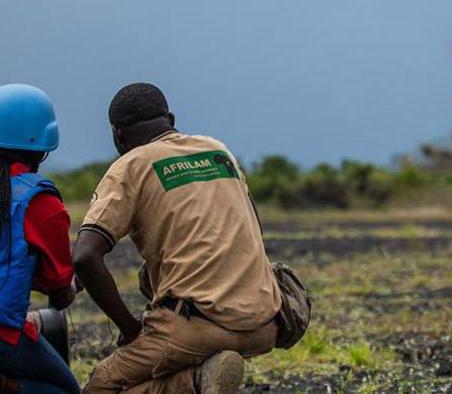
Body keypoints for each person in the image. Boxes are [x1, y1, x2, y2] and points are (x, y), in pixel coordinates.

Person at [73, 83, 282, 394]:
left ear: (118, 136)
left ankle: (194, 383)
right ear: (170, 119)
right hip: (265, 321)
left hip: (196, 326)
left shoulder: (130, 166)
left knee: (103, 385)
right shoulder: (216, 150)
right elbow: (252, 226)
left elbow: (85, 256)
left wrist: (130, 329)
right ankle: (200, 376)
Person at [0, 84, 81, 394]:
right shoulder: (38, 202)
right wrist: (70, 282)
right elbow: (60, 295)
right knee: (65, 390)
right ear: (40, 145)